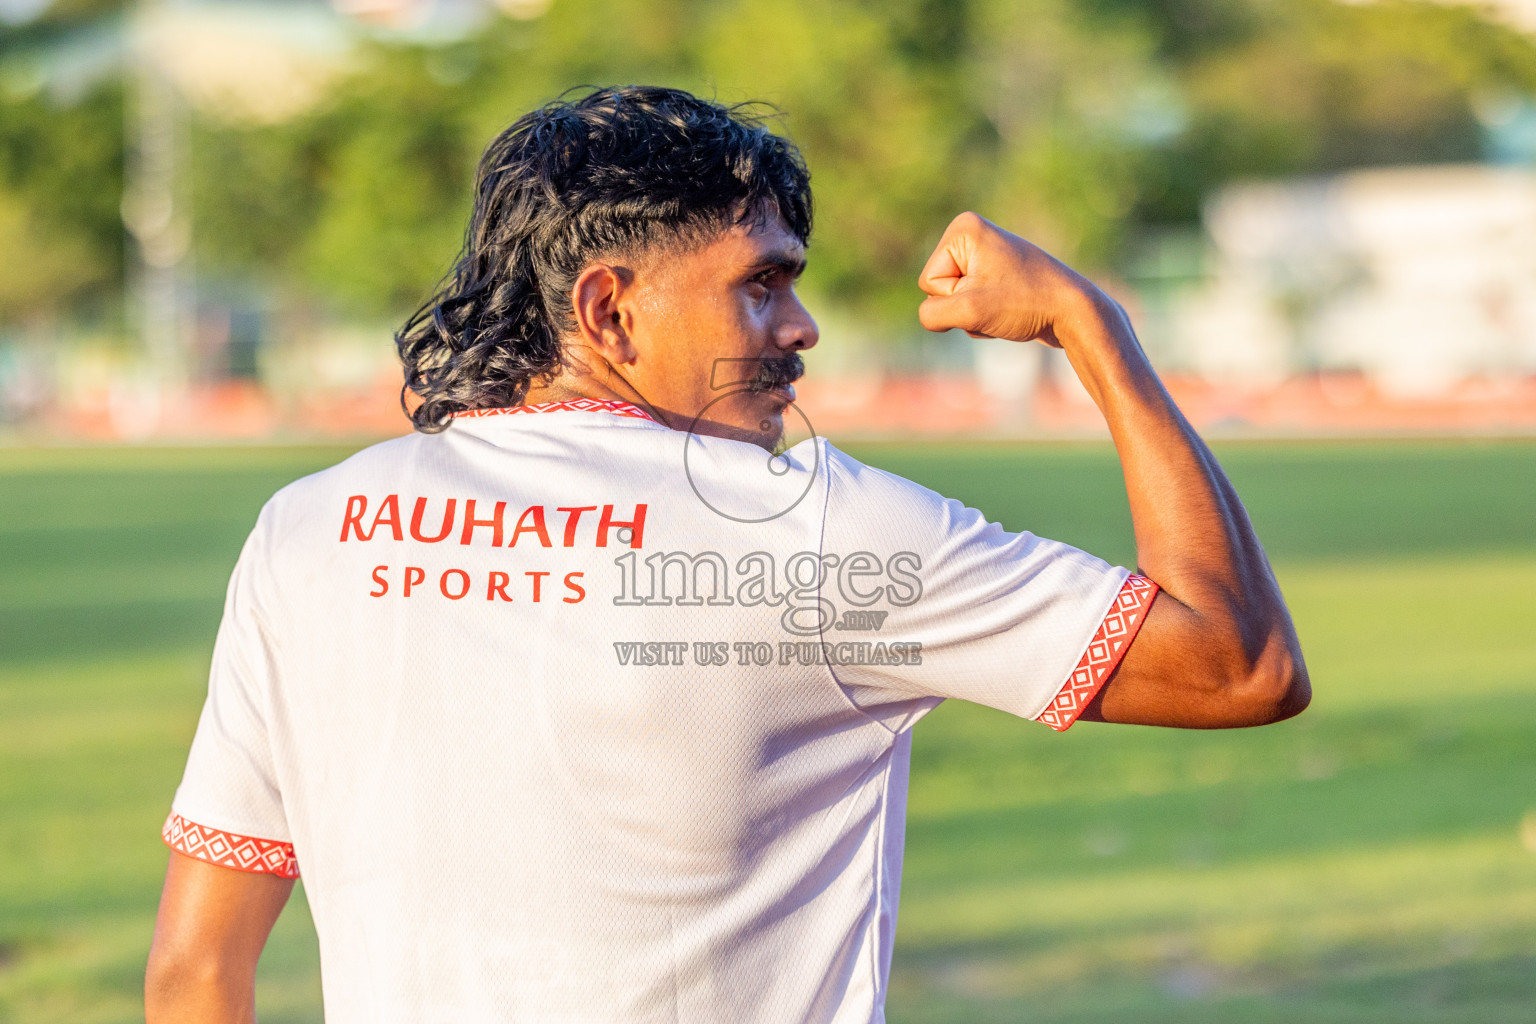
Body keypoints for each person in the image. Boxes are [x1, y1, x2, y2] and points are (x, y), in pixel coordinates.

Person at [145, 85, 1308, 1024]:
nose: (799, 327)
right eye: (761, 283)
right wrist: (1090, 327)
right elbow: (1240, 667)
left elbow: (197, 972)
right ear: (609, 312)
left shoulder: (309, 528)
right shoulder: (802, 525)